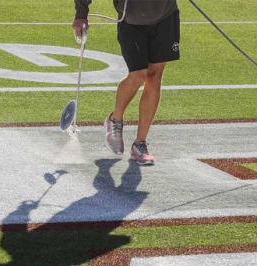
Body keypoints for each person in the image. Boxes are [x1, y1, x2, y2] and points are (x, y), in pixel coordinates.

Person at [73, 0, 180, 166]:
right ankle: (115, 119)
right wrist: (81, 14)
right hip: (131, 19)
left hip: (165, 16)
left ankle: (140, 144)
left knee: (155, 75)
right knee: (138, 75)